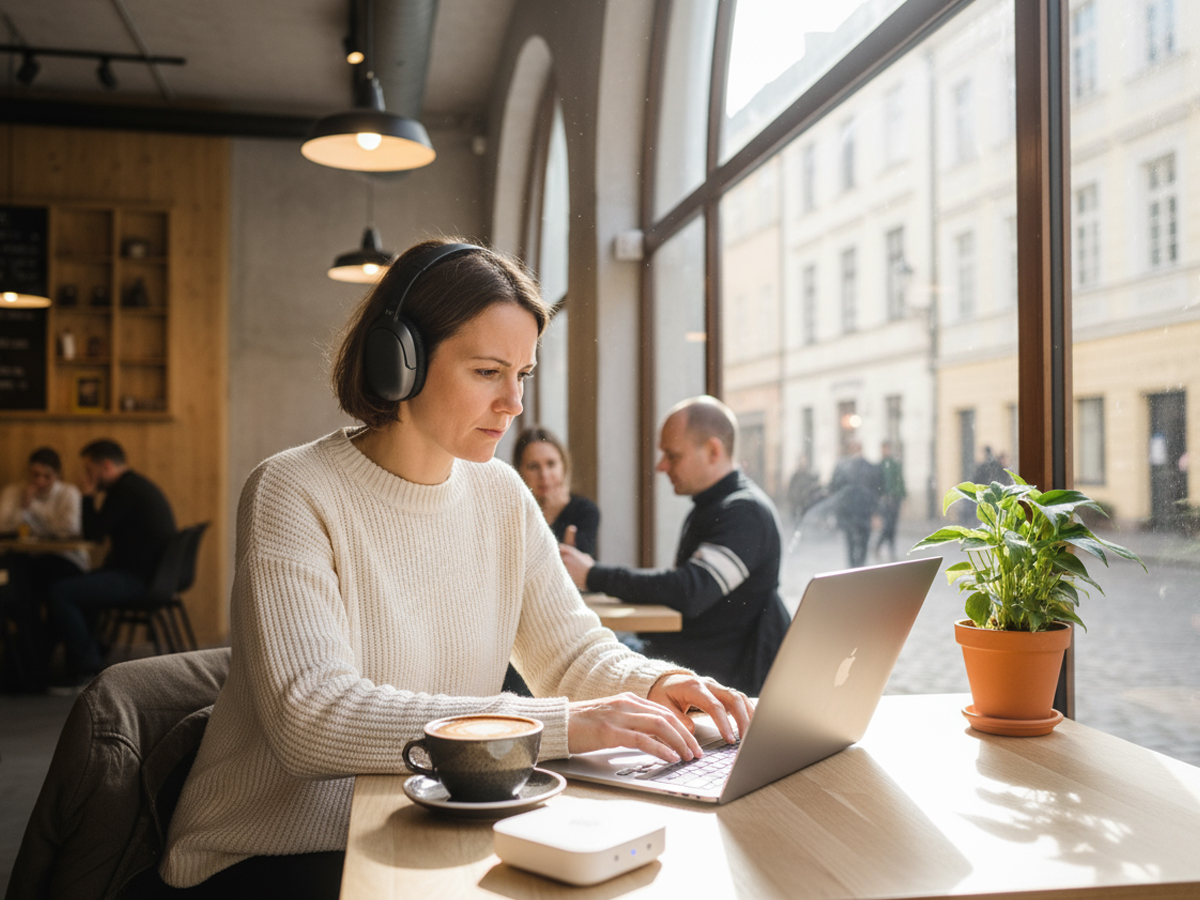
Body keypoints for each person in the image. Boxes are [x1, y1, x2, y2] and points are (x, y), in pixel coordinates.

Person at [158, 240, 752, 895]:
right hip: (269, 853)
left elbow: (573, 655)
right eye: (487, 372)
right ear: (398, 363)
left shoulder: (502, 495)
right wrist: (555, 726)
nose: (514, 405)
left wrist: (659, 686)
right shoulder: (292, 491)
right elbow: (314, 721)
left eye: (522, 375)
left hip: (424, 825)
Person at [559, 396, 790, 696]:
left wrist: (592, 575)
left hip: (709, 678)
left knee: (575, 661)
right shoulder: (716, 507)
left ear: (713, 451)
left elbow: (690, 590)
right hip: (696, 665)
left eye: (672, 455)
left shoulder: (744, 513)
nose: (661, 466)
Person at [47, 439, 176, 681]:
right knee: (77, 584)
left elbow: (93, 534)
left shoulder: (124, 491)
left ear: (105, 466)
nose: (87, 476)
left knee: (60, 592)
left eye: (89, 470)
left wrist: (87, 496)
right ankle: (86, 656)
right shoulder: (135, 486)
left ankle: (88, 664)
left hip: (137, 580)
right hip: (153, 577)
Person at [0, 447, 87, 691]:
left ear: (57, 475)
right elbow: (3, 525)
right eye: (34, 475)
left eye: (45, 476)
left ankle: (54, 667)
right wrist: (24, 505)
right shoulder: (14, 491)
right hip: (28, 559)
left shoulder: (68, 493)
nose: (39, 481)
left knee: (53, 588)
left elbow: (68, 529)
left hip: (63, 558)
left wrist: (31, 509)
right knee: (19, 595)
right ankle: (24, 669)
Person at [513, 426, 600, 555]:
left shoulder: (584, 511)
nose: (544, 475)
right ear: (519, 471)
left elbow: (579, 568)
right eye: (533, 466)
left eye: (551, 464)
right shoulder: (512, 513)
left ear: (563, 466)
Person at [828, 439, 880, 569]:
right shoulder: (868, 467)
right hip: (861, 512)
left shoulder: (843, 467)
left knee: (852, 542)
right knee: (862, 542)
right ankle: (859, 566)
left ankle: (854, 567)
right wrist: (875, 511)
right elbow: (876, 491)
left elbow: (834, 489)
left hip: (851, 512)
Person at [873, 441, 906, 562]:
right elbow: (877, 484)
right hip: (884, 501)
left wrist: (900, 496)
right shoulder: (879, 465)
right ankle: (879, 546)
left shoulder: (894, 464)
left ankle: (889, 549)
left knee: (892, 526)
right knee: (887, 526)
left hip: (894, 500)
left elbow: (899, 481)